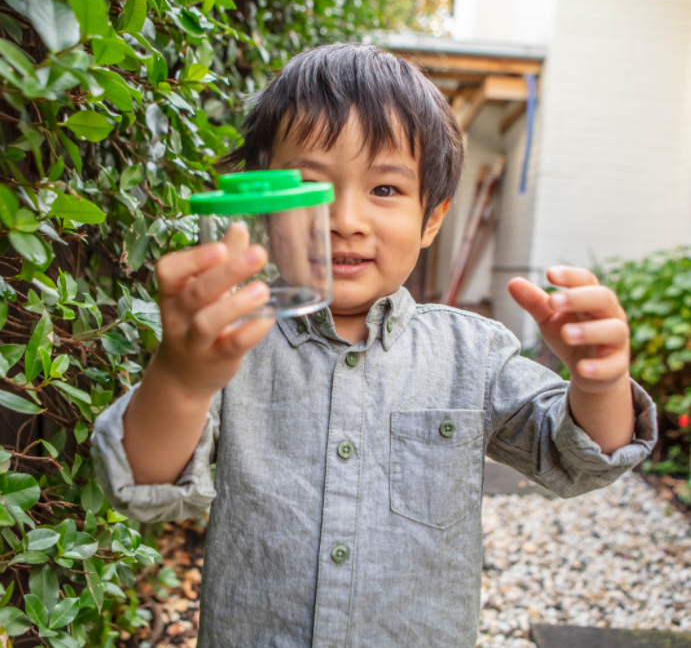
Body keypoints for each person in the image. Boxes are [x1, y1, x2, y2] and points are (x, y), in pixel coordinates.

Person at [92, 43, 657, 647]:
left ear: (431, 218)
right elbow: (143, 488)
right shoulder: (232, 346)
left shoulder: (473, 354)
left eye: (385, 190)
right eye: (309, 187)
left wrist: (600, 384)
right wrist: (181, 380)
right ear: (261, 203)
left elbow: (577, 458)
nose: (345, 218)